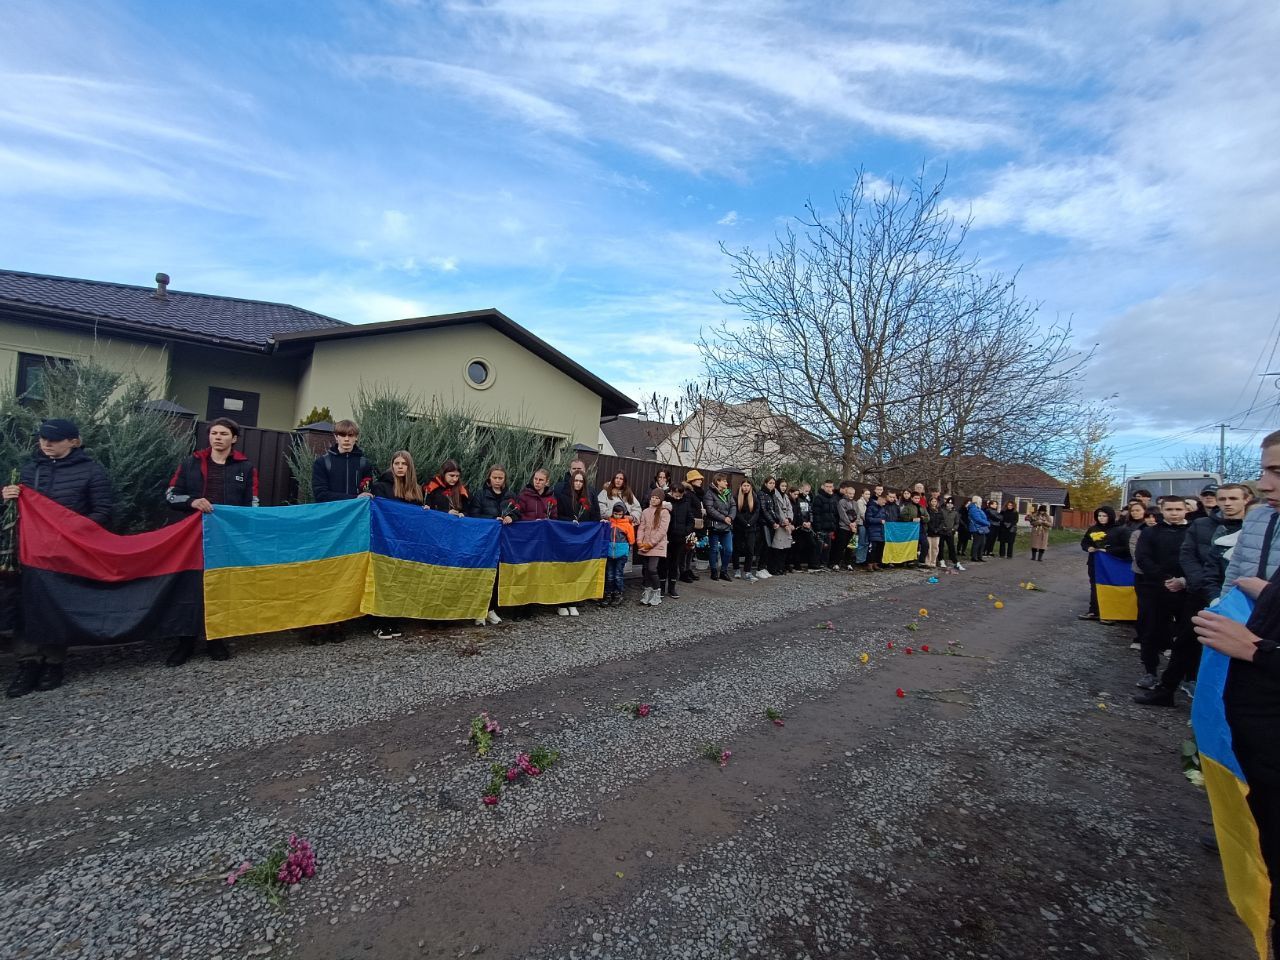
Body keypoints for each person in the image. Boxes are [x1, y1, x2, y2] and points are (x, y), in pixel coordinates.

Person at [1191, 432, 1280, 958]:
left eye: (1276, 473)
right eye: (1266, 471)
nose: (1264, 486)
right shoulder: (1263, 518)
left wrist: (1260, 650)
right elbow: (1234, 572)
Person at [3, 418, 113, 697]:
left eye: (54, 439)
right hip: (30, 551)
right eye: (43, 439)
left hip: (66, 552)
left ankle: (54, 662)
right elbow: (15, 512)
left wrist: (74, 532)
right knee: (26, 606)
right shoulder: (30, 470)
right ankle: (28, 663)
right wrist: (6, 496)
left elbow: (103, 510)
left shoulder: (91, 472)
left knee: (55, 605)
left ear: (74, 441)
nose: (47, 444)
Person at [1136, 484, 1251, 706]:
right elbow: (1188, 556)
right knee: (1185, 641)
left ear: (1246, 500)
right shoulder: (1202, 525)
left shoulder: (1255, 527)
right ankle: (1166, 689)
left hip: (1240, 596)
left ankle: (1219, 695)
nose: (1228, 503)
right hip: (1200, 593)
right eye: (1223, 498)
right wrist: (1203, 587)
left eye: (1233, 498)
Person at [163, 417, 258, 667]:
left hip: (227, 540)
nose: (217, 437)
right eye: (214, 433)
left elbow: (253, 504)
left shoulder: (246, 468)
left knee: (222, 589)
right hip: (194, 539)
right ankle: (185, 642)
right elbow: (171, 495)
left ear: (233, 439)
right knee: (191, 588)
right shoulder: (191, 463)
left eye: (223, 433)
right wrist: (192, 502)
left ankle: (216, 639)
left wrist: (244, 532)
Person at [1130, 496, 1193, 694]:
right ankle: (1150, 672)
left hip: (1188, 589)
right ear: (1162, 511)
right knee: (1151, 630)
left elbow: (1200, 558)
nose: (1174, 513)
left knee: (1187, 634)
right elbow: (1143, 558)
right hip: (1155, 588)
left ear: (1185, 510)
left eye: (1178, 509)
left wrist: (1183, 580)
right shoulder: (1149, 533)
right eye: (1169, 509)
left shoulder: (1194, 532)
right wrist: (1165, 579)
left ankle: (1187, 676)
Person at [468, 465, 519, 626]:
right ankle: (479, 611)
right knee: (482, 575)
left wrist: (512, 517)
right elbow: (474, 515)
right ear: (489, 478)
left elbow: (518, 511)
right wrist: (492, 519)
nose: (497, 481)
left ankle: (491, 610)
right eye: (494, 477)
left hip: (503, 542)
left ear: (504, 479)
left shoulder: (510, 495)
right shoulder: (480, 495)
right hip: (485, 543)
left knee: (497, 576)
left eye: (500, 478)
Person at [553, 471, 601, 617]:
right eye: (576, 481)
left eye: (581, 481)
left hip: (582, 539)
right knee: (564, 570)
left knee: (577, 570)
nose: (578, 484)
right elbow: (557, 515)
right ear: (572, 481)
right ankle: (561, 603)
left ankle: (573, 601)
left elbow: (595, 516)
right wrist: (569, 522)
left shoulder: (589, 497)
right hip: (566, 537)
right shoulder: (563, 495)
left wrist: (599, 524)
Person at [312, 419, 374, 501]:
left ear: (356, 437)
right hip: (332, 511)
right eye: (342, 435)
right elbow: (320, 494)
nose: (346, 439)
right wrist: (354, 498)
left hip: (356, 512)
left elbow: (367, 492)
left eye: (350, 435)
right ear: (336, 437)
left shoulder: (364, 463)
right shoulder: (322, 462)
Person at [1077, 506, 1117, 619]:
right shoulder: (1093, 529)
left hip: (1111, 563)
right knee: (1095, 586)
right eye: (1099, 516)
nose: (1101, 518)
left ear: (1110, 516)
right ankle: (1094, 611)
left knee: (1110, 587)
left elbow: (1122, 546)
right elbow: (1085, 541)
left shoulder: (1117, 529)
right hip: (1095, 562)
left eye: (1104, 516)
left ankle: (1109, 613)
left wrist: (1109, 550)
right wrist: (1088, 547)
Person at [636, 489, 670, 606]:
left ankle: (657, 592)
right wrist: (639, 541)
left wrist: (651, 543)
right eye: (653, 497)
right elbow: (642, 527)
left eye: (657, 498)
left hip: (657, 545)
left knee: (652, 568)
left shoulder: (664, 512)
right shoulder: (645, 511)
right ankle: (647, 592)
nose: (654, 499)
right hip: (644, 545)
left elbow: (662, 530)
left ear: (661, 500)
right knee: (646, 570)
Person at [704, 473, 737, 582]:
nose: (727, 483)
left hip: (727, 526)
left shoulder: (728, 493)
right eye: (724, 481)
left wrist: (730, 517)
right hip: (715, 526)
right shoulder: (709, 493)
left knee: (729, 550)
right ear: (718, 481)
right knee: (714, 550)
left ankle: (723, 571)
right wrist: (724, 518)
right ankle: (714, 571)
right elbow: (709, 509)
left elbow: (733, 506)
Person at [663, 483, 694, 598]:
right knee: (664, 564)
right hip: (666, 538)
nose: (677, 498)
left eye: (679, 496)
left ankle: (672, 588)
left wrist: (686, 531)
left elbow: (691, 520)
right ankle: (661, 588)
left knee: (674, 564)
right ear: (671, 492)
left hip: (679, 538)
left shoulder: (685, 504)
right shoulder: (665, 503)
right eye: (675, 495)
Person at [604, 501, 634, 605]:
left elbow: (631, 540)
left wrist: (626, 550)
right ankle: (608, 594)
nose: (617, 516)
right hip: (609, 552)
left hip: (621, 554)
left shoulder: (627, 525)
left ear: (623, 514)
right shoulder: (609, 523)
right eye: (616, 513)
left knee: (618, 575)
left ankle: (618, 594)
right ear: (613, 513)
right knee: (609, 575)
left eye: (620, 514)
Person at [731, 479, 762, 581]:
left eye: (748, 486)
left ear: (751, 487)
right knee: (737, 548)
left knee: (750, 549)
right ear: (741, 486)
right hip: (739, 527)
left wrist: (750, 523)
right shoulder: (735, 497)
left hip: (751, 528)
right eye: (744, 485)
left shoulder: (754, 497)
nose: (746, 488)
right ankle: (736, 569)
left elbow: (757, 512)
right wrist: (745, 522)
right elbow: (736, 512)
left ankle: (747, 571)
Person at [681, 469, 707, 582]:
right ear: (692, 480)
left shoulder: (697, 493)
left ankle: (687, 569)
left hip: (695, 525)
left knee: (691, 548)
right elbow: (687, 509)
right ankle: (683, 571)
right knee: (686, 548)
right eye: (698, 479)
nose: (700, 481)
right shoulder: (688, 493)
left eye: (700, 479)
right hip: (690, 525)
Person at [812, 480, 841, 571]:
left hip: (830, 527)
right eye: (827, 486)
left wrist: (833, 525)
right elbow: (816, 514)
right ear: (823, 487)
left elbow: (834, 513)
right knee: (819, 547)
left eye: (831, 486)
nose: (829, 488)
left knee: (827, 548)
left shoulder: (833, 499)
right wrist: (817, 527)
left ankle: (823, 564)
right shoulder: (818, 498)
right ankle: (815, 564)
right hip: (821, 527)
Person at [758, 477, 782, 576]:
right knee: (765, 544)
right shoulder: (761, 493)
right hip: (764, 523)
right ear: (765, 483)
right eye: (770, 483)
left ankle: (764, 566)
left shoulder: (773, 495)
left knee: (769, 545)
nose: (772, 485)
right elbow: (764, 510)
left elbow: (776, 509)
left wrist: (778, 521)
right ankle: (760, 568)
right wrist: (772, 522)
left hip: (773, 524)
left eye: (773, 483)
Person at [835, 482, 858, 570]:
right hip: (844, 527)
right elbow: (843, 515)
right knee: (840, 546)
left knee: (851, 547)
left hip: (853, 528)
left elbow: (858, 514)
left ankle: (848, 563)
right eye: (850, 493)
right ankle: (836, 563)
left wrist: (855, 523)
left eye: (853, 494)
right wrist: (850, 524)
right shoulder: (842, 501)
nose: (851, 495)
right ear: (846, 493)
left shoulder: (855, 503)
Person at [937, 496, 962, 570]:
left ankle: (955, 561)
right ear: (946, 503)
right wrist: (942, 527)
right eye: (948, 503)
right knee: (941, 546)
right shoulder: (941, 510)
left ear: (953, 505)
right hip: (942, 532)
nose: (949, 505)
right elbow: (939, 520)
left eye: (951, 503)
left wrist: (954, 529)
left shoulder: (955, 513)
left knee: (951, 547)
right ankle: (941, 560)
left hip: (950, 532)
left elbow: (957, 523)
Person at [864, 491, 886, 571]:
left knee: (880, 549)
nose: (884, 503)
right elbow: (868, 519)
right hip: (873, 531)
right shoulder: (871, 508)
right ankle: (869, 564)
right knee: (872, 549)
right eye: (883, 502)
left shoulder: (883, 509)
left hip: (881, 532)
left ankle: (876, 564)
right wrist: (879, 521)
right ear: (879, 500)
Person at [967, 494, 991, 564]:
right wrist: (987, 523)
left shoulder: (977, 508)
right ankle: (974, 556)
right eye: (980, 501)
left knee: (982, 543)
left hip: (981, 527)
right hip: (976, 528)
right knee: (977, 543)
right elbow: (977, 519)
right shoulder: (973, 509)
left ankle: (979, 556)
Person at [924, 494, 943, 568]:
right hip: (929, 531)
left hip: (937, 532)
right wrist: (932, 529)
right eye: (932, 501)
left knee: (935, 548)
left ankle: (933, 562)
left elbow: (942, 521)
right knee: (929, 547)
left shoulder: (939, 510)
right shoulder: (927, 510)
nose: (934, 502)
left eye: (935, 501)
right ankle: (928, 562)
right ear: (930, 502)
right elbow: (928, 521)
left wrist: (938, 529)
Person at [854, 486, 871, 566]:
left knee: (866, 542)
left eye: (869, 494)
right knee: (862, 542)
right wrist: (869, 521)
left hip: (867, 524)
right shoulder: (860, 502)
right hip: (862, 524)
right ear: (862, 494)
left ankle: (863, 559)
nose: (868, 495)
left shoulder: (868, 502)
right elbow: (862, 514)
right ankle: (859, 560)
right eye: (866, 494)